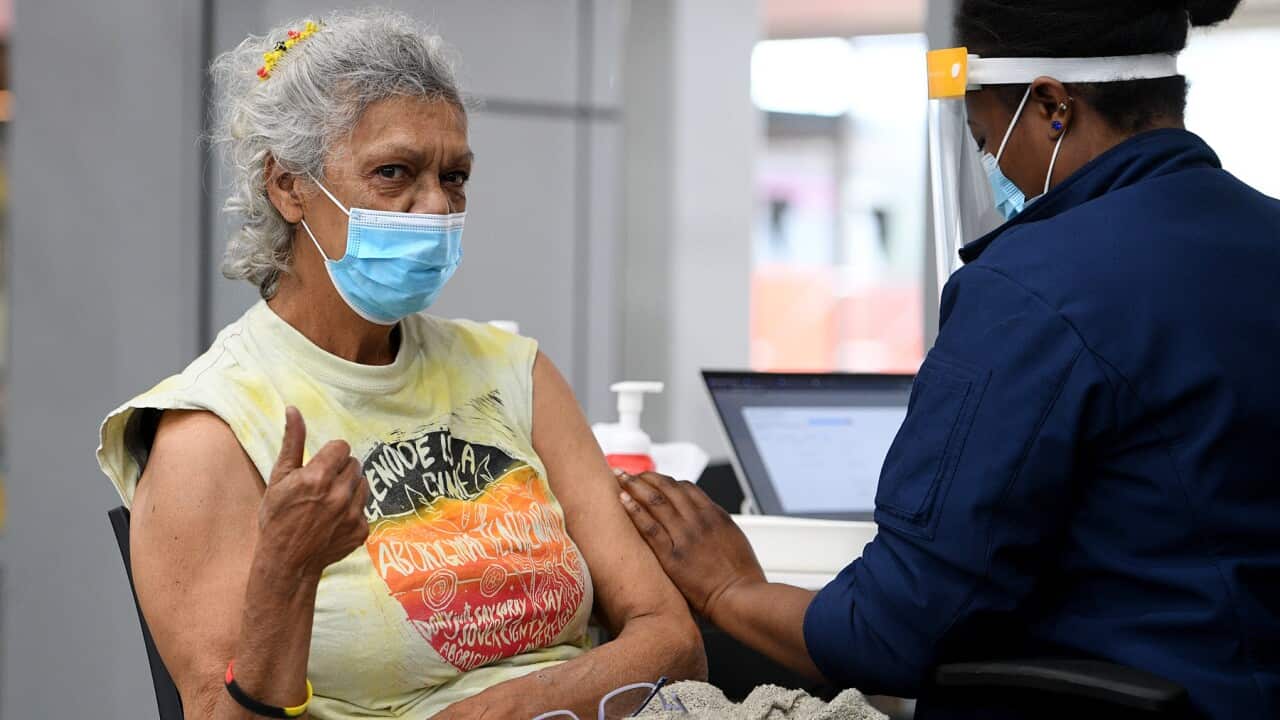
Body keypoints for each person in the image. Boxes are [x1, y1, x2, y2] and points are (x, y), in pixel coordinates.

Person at [616, 1, 1280, 718]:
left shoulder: (1033, 286)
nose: (997, 171)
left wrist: (728, 589)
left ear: (1053, 105)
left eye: (988, 139)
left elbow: (891, 631)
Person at [96, 10, 704, 720]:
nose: (436, 207)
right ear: (289, 186)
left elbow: (671, 638)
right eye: (395, 173)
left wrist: (503, 710)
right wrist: (284, 579)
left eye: (455, 177)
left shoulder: (515, 373)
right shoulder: (210, 432)